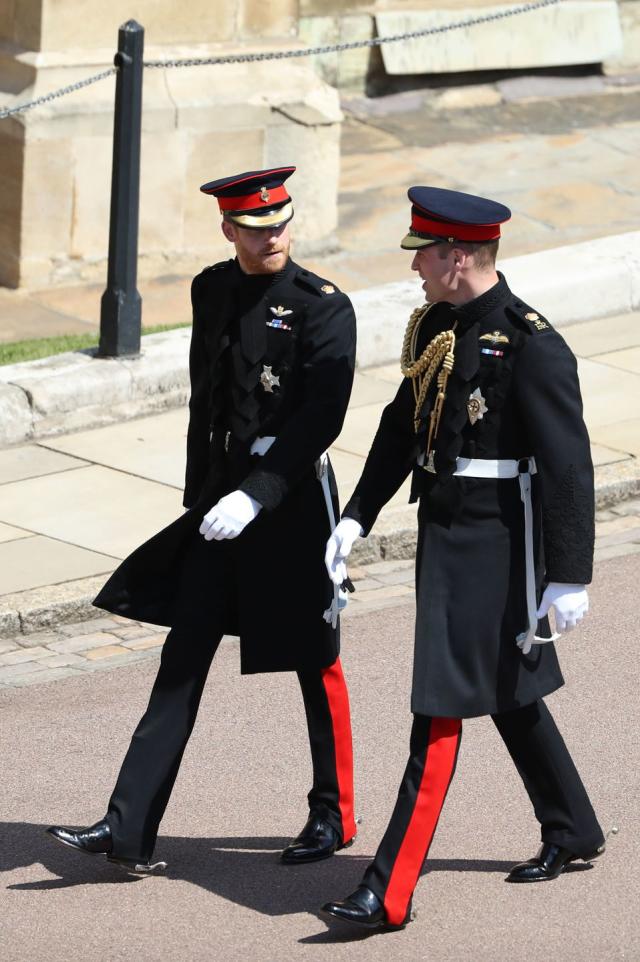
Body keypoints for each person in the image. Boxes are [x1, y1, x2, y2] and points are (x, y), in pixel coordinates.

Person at [47, 166, 358, 874]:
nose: (271, 236)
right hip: (221, 504)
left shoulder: (323, 306)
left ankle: (334, 813)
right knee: (182, 657)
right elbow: (206, 399)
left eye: (280, 223)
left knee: (316, 660)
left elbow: (322, 417)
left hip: (288, 500)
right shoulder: (211, 288)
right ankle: (127, 830)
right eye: (255, 228)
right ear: (229, 231)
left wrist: (258, 493)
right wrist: (204, 496)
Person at [321, 186, 605, 930]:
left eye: (424, 254)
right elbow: (400, 425)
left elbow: (570, 466)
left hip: (497, 539)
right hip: (446, 527)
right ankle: (573, 829)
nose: (415, 267)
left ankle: (389, 891)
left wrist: (569, 573)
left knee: (440, 706)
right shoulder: (438, 325)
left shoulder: (532, 342)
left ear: (456, 258)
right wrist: (357, 513)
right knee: (507, 688)